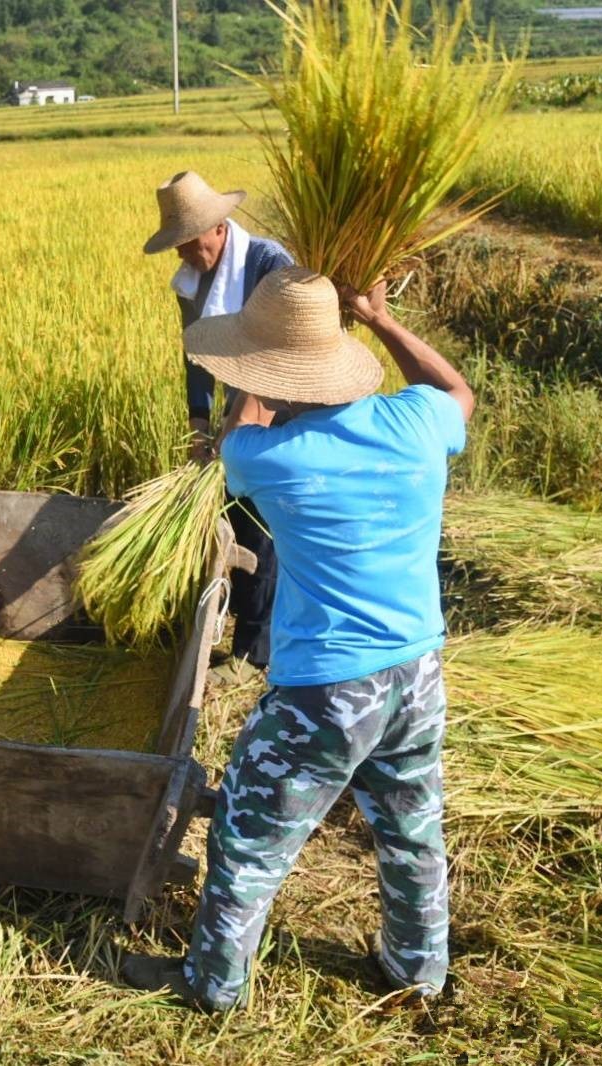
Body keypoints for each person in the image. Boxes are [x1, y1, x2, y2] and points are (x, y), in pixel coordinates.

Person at [121, 266, 474, 1011]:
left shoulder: (270, 460)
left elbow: (235, 434)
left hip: (327, 692)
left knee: (250, 838)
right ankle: (417, 970)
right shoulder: (416, 422)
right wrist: (380, 321)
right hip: (417, 673)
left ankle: (210, 985)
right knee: (410, 833)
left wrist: (253, 373)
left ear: (274, 374)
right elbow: (458, 393)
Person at [144, 170, 293, 682]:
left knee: (261, 522)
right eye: (176, 245)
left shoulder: (269, 264)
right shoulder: (190, 282)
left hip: (287, 400)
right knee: (229, 511)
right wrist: (200, 426)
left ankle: (256, 653)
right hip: (237, 404)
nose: (182, 254)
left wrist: (238, 428)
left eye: (188, 241)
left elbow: (280, 350)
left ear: (219, 227)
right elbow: (197, 355)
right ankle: (222, 627)